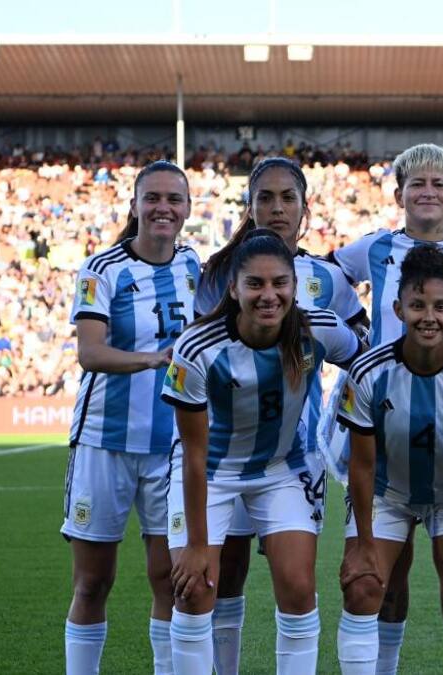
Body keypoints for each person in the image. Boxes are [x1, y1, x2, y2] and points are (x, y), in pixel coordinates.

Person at [328, 143, 443, 672]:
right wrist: (355, 330)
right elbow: (325, 277)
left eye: (438, 184)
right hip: (384, 418)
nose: (428, 192)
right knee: (378, 582)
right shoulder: (376, 246)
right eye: (417, 184)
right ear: (399, 195)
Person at [162, 229, 363, 674]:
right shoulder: (198, 347)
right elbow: (193, 454)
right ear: (234, 289)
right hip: (211, 471)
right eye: (255, 283)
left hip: (283, 468)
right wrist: (197, 544)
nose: (269, 295)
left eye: (279, 283)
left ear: (294, 285)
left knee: (298, 588)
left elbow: (370, 363)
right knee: (195, 590)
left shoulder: (320, 329)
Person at [62, 160, 201, 675]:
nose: (164, 208)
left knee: (170, 580)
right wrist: (153, 359)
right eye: (153, 198)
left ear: (187, 209)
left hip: (171, 447)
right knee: (93, 582)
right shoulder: (102, 269)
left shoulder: (193, 266)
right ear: (135, 205)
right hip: (105, 442)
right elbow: (90, 353)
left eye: (174, 199)